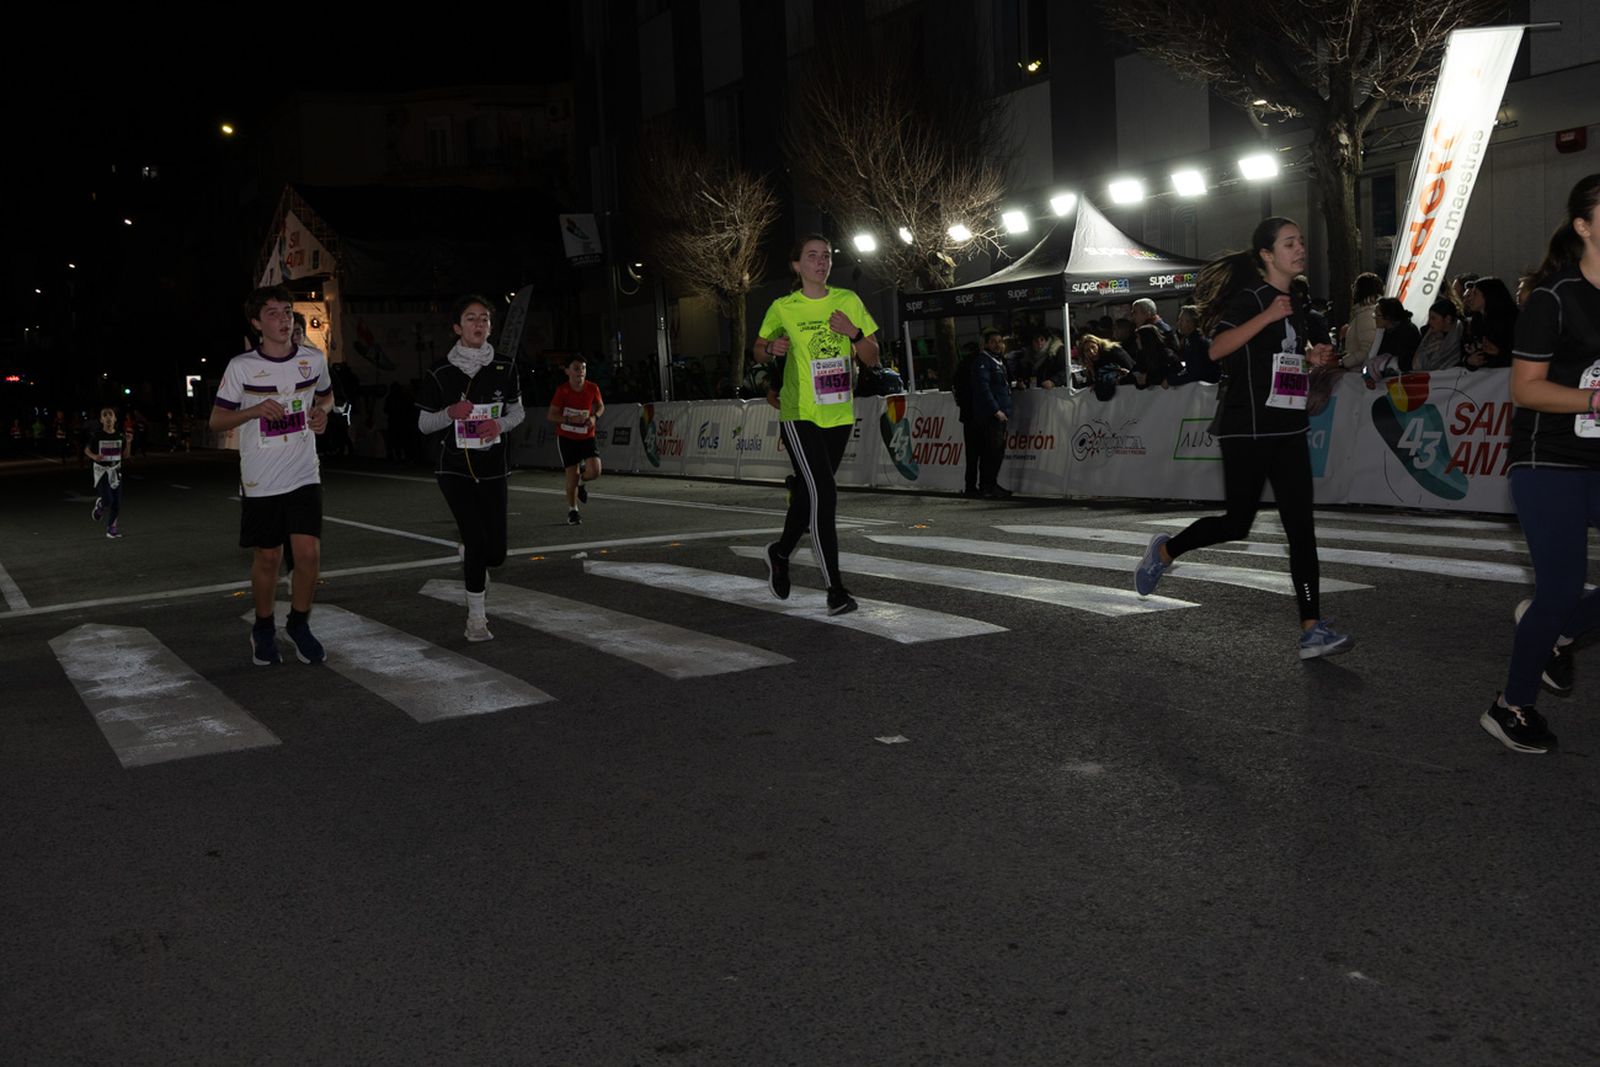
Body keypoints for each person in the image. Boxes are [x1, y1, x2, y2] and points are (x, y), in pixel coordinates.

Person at [1133, 216, 1352, 659]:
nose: (1300, 248)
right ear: (1267, 256)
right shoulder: (1252, 297)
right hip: (1247, 426)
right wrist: (1268, 315)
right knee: (1238, 523)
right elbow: (1217, 349)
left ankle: (1312, 628)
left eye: (1301, 241)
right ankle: (1167, 550)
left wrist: (1314, 357)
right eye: (1289, 243)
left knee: (1301, 529)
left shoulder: (1298, 301)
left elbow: (1279, 358)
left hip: (1289, 425)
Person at [1480, 173, 1600, 754]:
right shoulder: (1552, 298)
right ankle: (1511, 706)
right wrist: (1596, 400)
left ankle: (1562, 632)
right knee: (1560, 585)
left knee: (1560, 602)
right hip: (1547, 460)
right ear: (1584, 227)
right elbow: (1526, 389)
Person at [751, 234, 881, 615]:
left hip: (838, 414)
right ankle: (835, 590)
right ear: (797, 265)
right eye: (812, 256)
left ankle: (780, 552)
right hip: (799, 413)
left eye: (826, 256)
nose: (821, 262)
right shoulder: (784, 307)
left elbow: (872, 357)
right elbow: (758, 347)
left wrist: (853, 334)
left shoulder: (848, 302)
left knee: (809, 496)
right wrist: (770, 348)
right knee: (824, 493)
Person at [209, 285, 334, 666]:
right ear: (256, 322)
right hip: (262, 477)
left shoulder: (313, 360)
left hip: (303, 471)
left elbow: (326, 397)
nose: (284, 320)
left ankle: (298, 623)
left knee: (308, 553)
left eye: (287, 312)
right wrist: (252, 411)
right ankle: (263, 627)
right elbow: (216, 421)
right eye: (274, 313)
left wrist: (321, 413)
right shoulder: (241, 367)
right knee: (268, 557)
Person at [417, 295, 526, 642]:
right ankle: (476, 619)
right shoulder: (440, 371)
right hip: (453, 469)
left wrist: (501, 426)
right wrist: (449, 413)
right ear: (457, 327)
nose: (479, 325)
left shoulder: (505, 366)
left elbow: (517, 411)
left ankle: (472, 555)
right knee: (476, 540)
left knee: (496, 554)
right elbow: (423, 424)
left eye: (484, 319)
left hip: (493, 467)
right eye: (470, 319)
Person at [548, 354, 604, 525]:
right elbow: (551, 416)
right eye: (576, 368)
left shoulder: (592, 388)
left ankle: (582, 482)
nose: (581, 372)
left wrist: (594, 417)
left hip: (587, 435)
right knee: (571, 476)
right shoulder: (562, 391)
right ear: (567, 371)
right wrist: (569, 420)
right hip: (567, 437)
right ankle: (573, 511)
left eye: (584, 368)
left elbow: (601, 406)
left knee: (595, 471)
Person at [971, 326, 1014, 497]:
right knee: (992, 451)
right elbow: (983, 388)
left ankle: (989, 484)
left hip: (1001, 412)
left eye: (1000, 342)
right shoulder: (984, 361)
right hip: (991, 416)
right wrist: (995, 410)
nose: (998, 345)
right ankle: (987, 486)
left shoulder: (1000, 361)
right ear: (986, 344)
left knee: (996, 451)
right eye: (993, 342)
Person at [84, 406, 130, 539]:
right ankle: (100, 504)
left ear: (115, 419)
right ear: (101, 420)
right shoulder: (96, 435)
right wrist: (94, 456)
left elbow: (126, 456)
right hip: (102, 471)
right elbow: (86, 450)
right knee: (108, 500)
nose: (108, 417)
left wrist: (129, 442)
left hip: (115, 470)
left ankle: (111, 529)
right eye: (105, 415)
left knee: (117, 503)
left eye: (111, 415)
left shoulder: (120, 435)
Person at [1462, 276, 1519, 371]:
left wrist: (1498, 353)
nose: (1470, 299)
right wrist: (1469, 361)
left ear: (1488, 295)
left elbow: (1522, 356)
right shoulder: (1475, 321)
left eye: (1475, 294)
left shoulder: (1511, 321)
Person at [1167, 305, 1219, 386]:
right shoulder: (1193, 340)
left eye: (1181, 320)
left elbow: (1195, 374)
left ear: (1190, 323)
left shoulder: (1196, 343)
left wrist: (1171, 381)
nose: (1178, 324)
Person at [1340, 272, 1384, 369]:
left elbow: (1366, 350)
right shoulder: (1363, 313)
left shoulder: (1367, 315)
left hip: (1358, 375)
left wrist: (1342, 363)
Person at [1371, 297, 1421, 375]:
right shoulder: (1386, 330)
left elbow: (1403, 362)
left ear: (1389, 317)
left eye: (1378, 315)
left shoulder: (1407, 332)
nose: (1375, 318)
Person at [1413, 298, 1464, 371]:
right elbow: (1417, 364)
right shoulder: (1428, 334)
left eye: (1433, 318)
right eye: (1429, 318)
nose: (1429, 322)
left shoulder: (1462, 336)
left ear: (1447, 319)